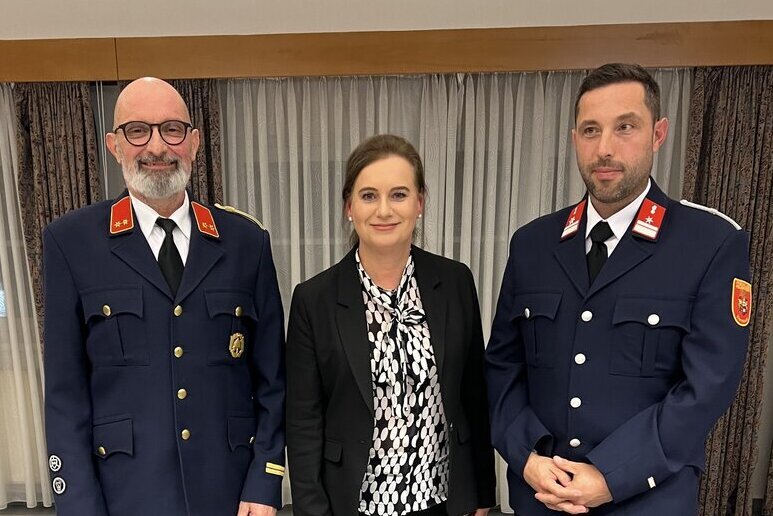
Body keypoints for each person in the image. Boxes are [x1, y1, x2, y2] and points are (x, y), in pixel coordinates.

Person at [486, 63, 751, 515]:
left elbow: (706, 387)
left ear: (658, 133)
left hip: (647, 499)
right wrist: (526, 456)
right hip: (542, 498)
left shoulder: (710, 243)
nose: (604, 148)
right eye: (591, 130)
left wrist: (612, 474)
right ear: (574, 140)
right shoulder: (532, 244)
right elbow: (502, 367)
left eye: (625, 127)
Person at [43, 77, 285, 516]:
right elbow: (65, 396)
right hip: (126, 495)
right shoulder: (71, 242)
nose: (157, 147)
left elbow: (272, 380)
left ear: (193, 142)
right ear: (114, 145)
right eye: (138, 131)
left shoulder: (246, 242)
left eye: (172, 129)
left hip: (229, 493)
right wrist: (77, 505)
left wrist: (265, 482)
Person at [286, 134, 496, 516]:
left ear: (420, 203)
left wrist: (483, 493)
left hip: (443, 502)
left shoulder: (454, 282)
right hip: (352, 503)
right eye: (369, 196)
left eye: (398, 194)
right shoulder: (314, 299)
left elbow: (473, 394)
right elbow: (303, 421)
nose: (384, 210)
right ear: (349, 207)